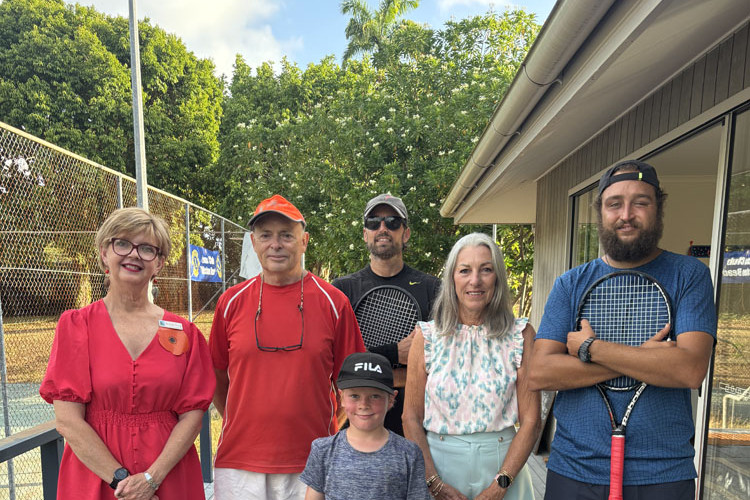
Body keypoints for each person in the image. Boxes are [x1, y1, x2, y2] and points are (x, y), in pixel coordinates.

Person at [529, 160, 717, 499]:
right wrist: (647, 359)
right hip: (573, 470)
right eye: (614, 203)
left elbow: (690, 369)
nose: (626, 214)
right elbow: (540, 372)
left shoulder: (689, 275)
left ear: (658, 209)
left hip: (662, 474)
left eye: (640, 202)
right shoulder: (570, 284)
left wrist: (591, 349)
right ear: (600, 211)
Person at [40, 207, 215, 500]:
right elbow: (68, 420)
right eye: (122, 243)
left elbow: (193, 416)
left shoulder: (184, 333)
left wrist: (151, 479)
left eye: (147, 249)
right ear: (104, 252)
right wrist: (122, 482)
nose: (134, 254)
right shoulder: (76, 326)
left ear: (159, 263)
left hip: (167, 475)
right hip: (97, 475)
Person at [209, 194, 366, 500]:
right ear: (254, 243)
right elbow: (216, 375)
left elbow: (351, 384)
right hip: (240, 463)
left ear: (304, 241)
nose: (275, 244)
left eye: (286, 236)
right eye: (266, 235)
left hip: (312, 461)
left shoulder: (334, 303)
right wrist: (240, 418)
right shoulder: (230, 302)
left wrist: (328, 430)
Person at [403, 232, 540, 500]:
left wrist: (500, 486)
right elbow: (410, 418)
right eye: (465, 270)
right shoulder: (428, 337)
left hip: (504, 473)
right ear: (452, 278)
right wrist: (434, 483)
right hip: (440, 472)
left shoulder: (520, 335)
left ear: (498, 276)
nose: (474, 280)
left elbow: (532, 421)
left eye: (486, 270)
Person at [333, 193, 440, 435]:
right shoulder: (342, 290)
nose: (383, 228)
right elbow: (337, 364)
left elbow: (440, 364)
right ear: (364, 234)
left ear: (406, 233)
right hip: (356, 428)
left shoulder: (432, 289)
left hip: (417, 429)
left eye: (393, 222)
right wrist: (396, 354)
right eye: (374, 222)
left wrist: (365, 364)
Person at [299, 352, 431, 500]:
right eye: (355, 396)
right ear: (341, 397)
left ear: (391, 399)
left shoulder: (409, 453)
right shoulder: (322, 449)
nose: (364, 405)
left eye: (374, 396)